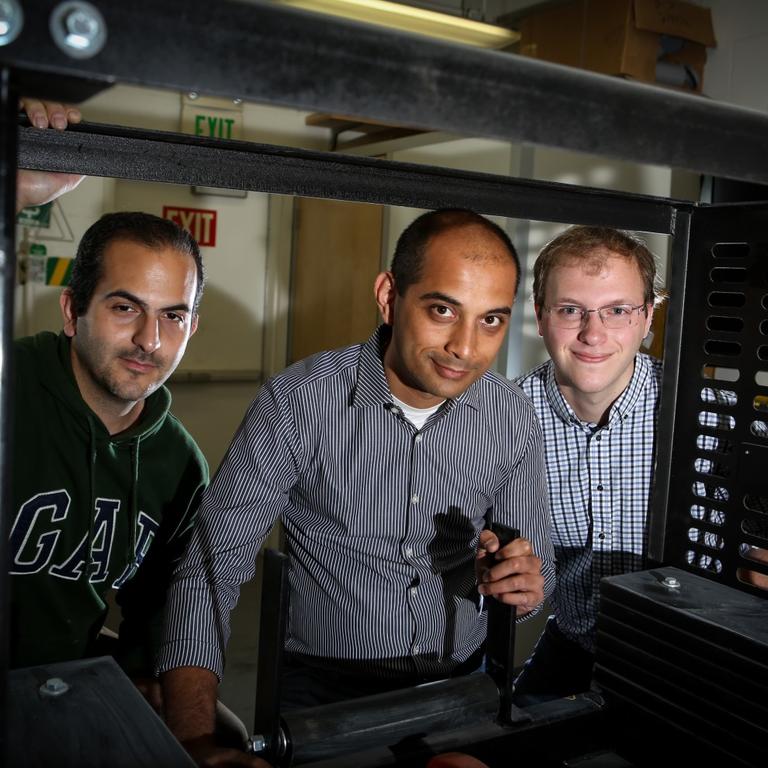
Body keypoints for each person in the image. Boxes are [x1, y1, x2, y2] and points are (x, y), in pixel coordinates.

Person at [158, 209, 555, 766]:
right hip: (322, 693)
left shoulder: (511, 415)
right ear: (389, 296)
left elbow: (537, 568)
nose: (465, 347)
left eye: (490, 320)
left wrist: (521, 586)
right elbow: (210, 570)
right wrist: (193, 738)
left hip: (463, 684)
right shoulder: (296, 403)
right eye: (443, 310)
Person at [9, 209, 208, 710]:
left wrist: (142, 673)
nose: (149, 340)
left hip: (62, 696)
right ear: (72, 310)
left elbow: (157, 609)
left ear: (192, 327)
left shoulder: (179, 464)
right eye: (125, 307)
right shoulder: (11, 390)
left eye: (172, 316)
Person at [513, 225, 662, 702]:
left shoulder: (706, 413)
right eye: (570, 310)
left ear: (647, 316)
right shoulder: (502, 420)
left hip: (689, 655)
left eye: (617, 310)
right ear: (540, 315)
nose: (592, 334)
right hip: (574, 644)